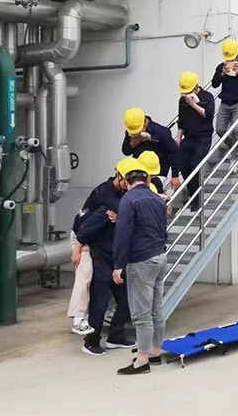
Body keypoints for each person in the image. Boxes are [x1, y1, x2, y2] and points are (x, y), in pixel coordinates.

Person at [74, 158, 136, 355]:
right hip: (99, 254)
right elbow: (86, 229)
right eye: (128, 180)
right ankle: (91, 341)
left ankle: (116, 336)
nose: (130, 184)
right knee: (99, 301)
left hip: (116, 255)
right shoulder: (105, 195)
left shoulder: (123, 195)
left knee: (125, 300)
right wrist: (77, 248)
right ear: (119, 176)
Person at [113, 159, 169, 375]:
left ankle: (142, 360)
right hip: (160, 257)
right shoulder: (157, 199)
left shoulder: (128, 200)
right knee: (156, 310)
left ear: (126, 181)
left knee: (141, 314)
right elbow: (163, 230)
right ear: (146, 179)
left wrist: (118, 265)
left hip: (141, 261)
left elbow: (123, 234)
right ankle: (155, 351)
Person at [176, 71, 214, 211]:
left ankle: (197, 200)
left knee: (195, 166)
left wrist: (194, 105)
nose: (186, 93)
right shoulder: (182, 100)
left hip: (203, 137)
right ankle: (193, 195)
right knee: (183, 166)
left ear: (196, 86)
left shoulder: (207, 97)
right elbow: (181, 119)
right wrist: (179, 137)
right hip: (188, 137)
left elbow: (208, 115)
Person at [211, 39, 238, 160]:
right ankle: (235, 149)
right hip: (225, 102)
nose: (230, 61)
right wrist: (222, 74)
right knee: (220, 129)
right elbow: (214, 84)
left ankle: (235, 158)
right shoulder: (221, 67)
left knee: (236, 129)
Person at [122, 107, 179, 190]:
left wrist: (175, 175)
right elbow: (126, 151)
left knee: (150, 191)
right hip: (138, 171)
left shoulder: (161, 132)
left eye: (137, 131)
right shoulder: (131, 130)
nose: (135, 133)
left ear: (144, 122)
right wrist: (134, 142)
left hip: (157, 173)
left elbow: (174, 153)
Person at [67, 210, 94, 336]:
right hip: (83, 243)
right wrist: (76, 250)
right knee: (84, 275)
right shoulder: (94, 210)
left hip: (96, 244)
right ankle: (78, 317)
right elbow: (82, 232)